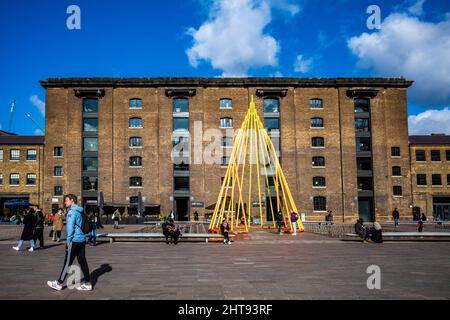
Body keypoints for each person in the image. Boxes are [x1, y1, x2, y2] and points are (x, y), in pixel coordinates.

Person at [47, 194, 92, 291]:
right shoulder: (80, 210)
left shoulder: (72, 212)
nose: (65, 202)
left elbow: (70, 228)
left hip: (74, 240)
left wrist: (68, 240)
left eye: (66, 200)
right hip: (82, 239)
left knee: (67, 262)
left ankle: (59, 283)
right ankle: (88, 283)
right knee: (82, 261)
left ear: (72, 200)